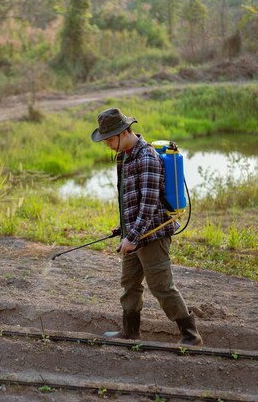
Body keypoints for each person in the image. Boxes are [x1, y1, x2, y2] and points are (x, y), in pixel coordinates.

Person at [91, 107, 203, 346]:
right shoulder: (124, 156)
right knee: (129, 283)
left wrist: (133, 237)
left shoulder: (147, 158)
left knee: (160, 285)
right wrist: (124, 230)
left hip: (152, 234)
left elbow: (149, 205)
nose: (108, 144)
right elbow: (128, 199)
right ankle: (130, 331)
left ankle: (191, 334)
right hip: (134, 233)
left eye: (110, 138)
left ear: (124, 132)